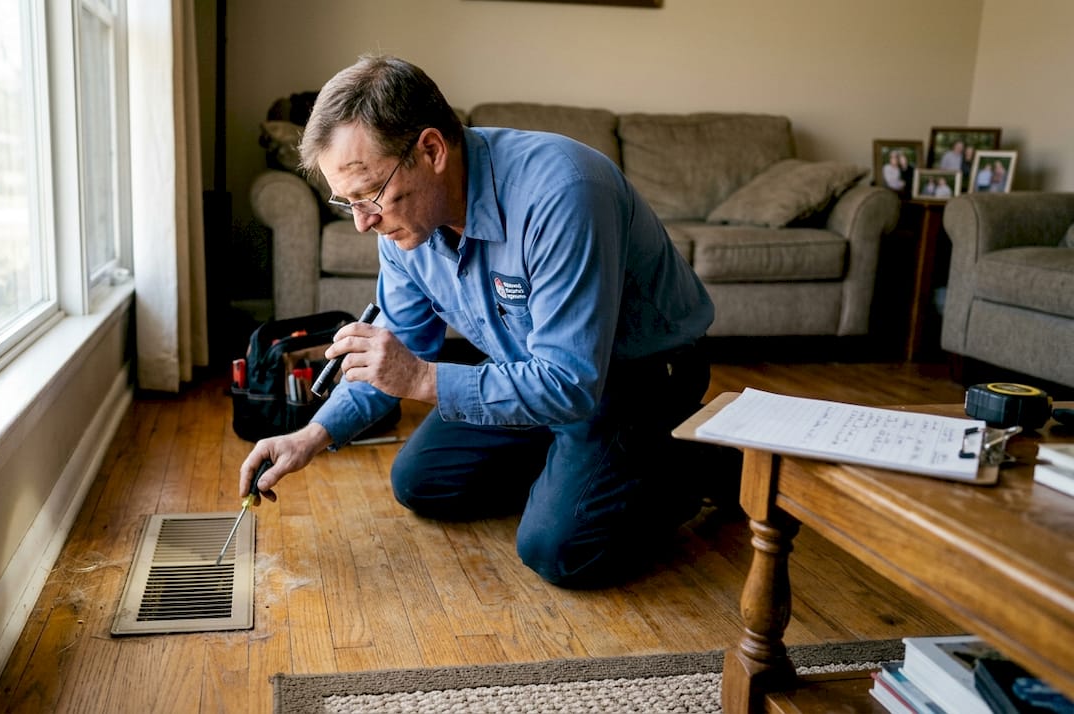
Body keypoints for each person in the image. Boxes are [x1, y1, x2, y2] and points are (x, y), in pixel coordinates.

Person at [236, 54, 720, 589]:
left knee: (558, 550)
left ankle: (700, 460)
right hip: (530, 371)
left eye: (370, 194)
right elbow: (389, 357)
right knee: (421, 482)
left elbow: (571, 383)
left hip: (636, 377)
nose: (362, 223)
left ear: (432, 150)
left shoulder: (563, 193)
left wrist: (421, 379)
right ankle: (583, 467)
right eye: (346, 201)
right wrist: (311, 435)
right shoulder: (404, 228)